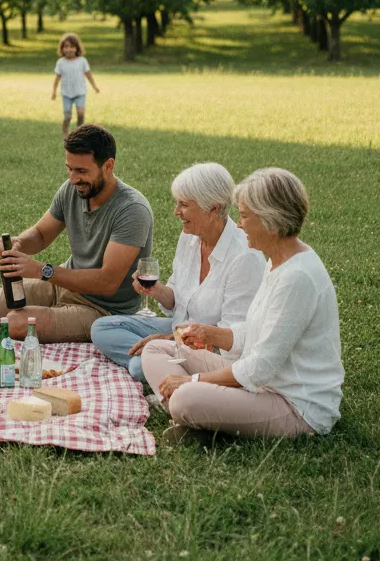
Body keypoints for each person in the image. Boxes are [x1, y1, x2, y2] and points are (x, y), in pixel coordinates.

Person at [141, 168, 344, 442]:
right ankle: (204, 419)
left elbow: (260, 368)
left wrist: (192, 381)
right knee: (156, 350)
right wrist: (212, 334)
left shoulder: (297, 278)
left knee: (185, 398)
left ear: (271, 222)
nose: (238, 225)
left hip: (294, 403)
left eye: (245, 216)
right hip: (258, 383)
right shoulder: (278, 260)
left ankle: (195, 414)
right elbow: (256, 331)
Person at [0, 124, 153, 343]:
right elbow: (41, 234)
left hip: (102, 309)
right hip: (63, 284)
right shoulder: (72, 189)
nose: (73, 179)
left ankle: (35, 309)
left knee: (16, 324)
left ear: (108, 166)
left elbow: (107, 282)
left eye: (81, 171)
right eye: (69, 169)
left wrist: (41, 271)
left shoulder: (132, 210)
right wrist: (19, 242)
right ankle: (24, 304)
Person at [90, 162, 265, 382]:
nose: (176, 212)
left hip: (213, 352)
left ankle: (152, 363)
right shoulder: (189, 237)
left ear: (213, 208)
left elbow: (231, 336)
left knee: (137, 368)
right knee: (101, 328)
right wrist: (157, 291)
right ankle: (155, 361)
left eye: (183, 204)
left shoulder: (244, 258)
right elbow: (177, 301)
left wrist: (171, 341)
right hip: (179, 329)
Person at [51, 32, 99, 138]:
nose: (68, 49)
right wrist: (54, 91)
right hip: (66, 94)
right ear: (62, 48)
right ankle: (65, 131)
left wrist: (94, 86)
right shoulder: (61, 62)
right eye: (66, 47)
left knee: (81, 113)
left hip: (79, 92)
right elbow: (57, 78)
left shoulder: (82, 61)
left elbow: (88, 74)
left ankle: (78, 132)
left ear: (77, 48)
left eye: (72, 47)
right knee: (67, 116)